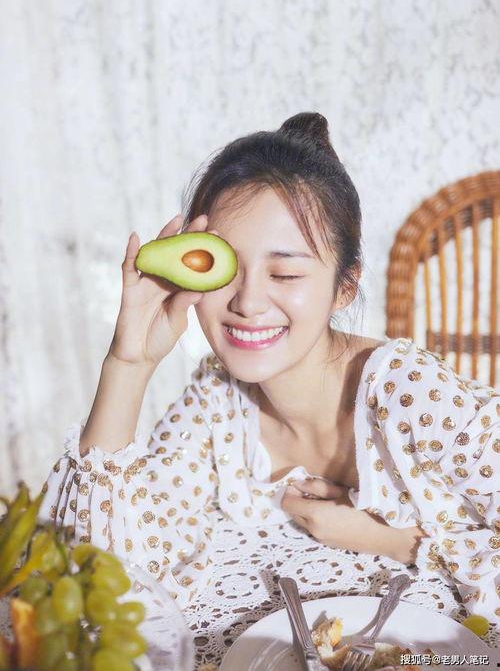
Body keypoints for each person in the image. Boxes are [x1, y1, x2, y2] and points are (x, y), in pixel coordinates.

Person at [40, 112, 500, 626]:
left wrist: (387, 540)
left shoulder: (410, 393)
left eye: (284, 273)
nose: (249, 302)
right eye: (223, 269)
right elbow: (98, 584)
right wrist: (129, 363)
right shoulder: (218, 401)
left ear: (344, 287)